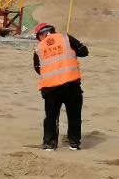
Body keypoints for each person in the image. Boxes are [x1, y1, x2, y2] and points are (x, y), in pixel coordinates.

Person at [32, 21, 89, 150]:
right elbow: (84, 51)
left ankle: (49, 144)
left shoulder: (39, 47)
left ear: (40, 35)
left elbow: (37, 68)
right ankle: (74, 143)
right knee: (74, 115)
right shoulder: (66, 38)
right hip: (71, 84)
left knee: (51, 117)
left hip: (51, 87)